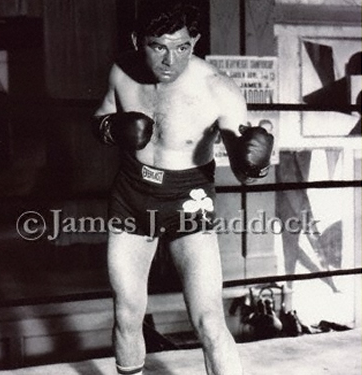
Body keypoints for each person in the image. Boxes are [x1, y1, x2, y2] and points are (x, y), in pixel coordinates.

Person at [94, 1, 273, 374]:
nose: (170, 61)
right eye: (158, 46)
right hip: (132, 199)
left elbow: (244, 173)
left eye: (182, 47)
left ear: (196, 41)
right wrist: (111, 128)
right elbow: (102, 115)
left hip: (189, 202)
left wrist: (252, 165)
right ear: (137, 40)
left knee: (209, 321)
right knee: (127, 314)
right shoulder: (122, 72)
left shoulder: (218, 88)